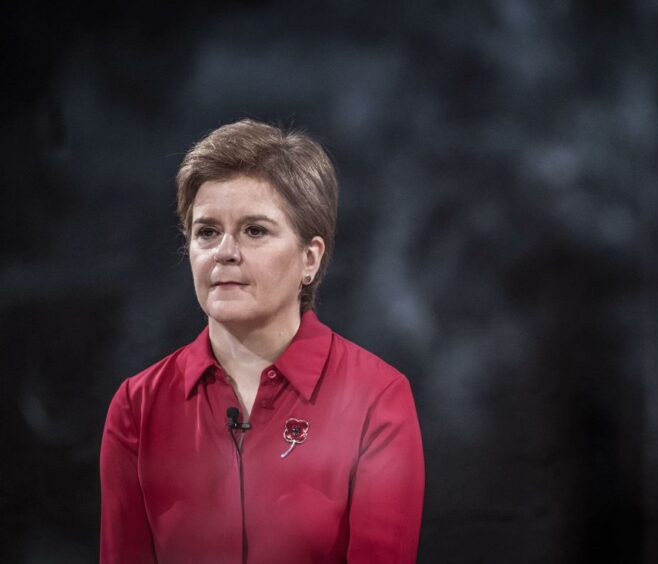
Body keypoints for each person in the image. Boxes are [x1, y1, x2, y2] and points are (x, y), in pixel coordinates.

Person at [99, 119, 425, 564]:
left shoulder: (377, 398)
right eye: (207, 232)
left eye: (255, 231)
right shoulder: (137, 407)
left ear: (309, 258)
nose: (225, 252)